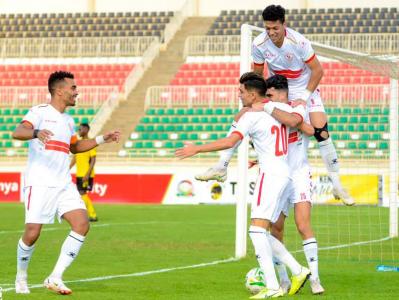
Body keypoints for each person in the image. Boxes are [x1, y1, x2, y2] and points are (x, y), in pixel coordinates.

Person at [196, 4, 354, 206]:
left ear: (283, 24)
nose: (271, 33)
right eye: (267, 28)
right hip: (277, 87)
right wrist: (258, 98)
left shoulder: (298, 41)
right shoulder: (259, 43)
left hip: (304, 86)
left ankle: (337, 184)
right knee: (244, 114)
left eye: (275, 28)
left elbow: (318, 71)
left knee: (321, 132)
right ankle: (221, 165)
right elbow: (258, 74)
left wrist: (304, 98)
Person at [176, 72, 310, 298]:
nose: (238, 95)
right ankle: (297, 270)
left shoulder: (251, 116)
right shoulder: (282, 108)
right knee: (261, 231)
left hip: (270, 174)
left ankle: (272, 286)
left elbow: (230, 141)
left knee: (256, 230)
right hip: (286, 174)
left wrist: (197, 148)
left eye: (240, 91)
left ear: (251, 93)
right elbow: (295, 122)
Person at [13, 71, 121, 295]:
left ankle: (55, 277)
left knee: (82, 224)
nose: (77, 92)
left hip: (63, 183)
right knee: (32, 233)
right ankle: (21, 277)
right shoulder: (39, 112)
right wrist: (35, 132)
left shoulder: (68, 120)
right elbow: (18, 131)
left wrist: (102, 139)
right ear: (59, 90)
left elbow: (75, 147)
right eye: (73, 88)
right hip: (40, 182)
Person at [251, 75, 325, 295]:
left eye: (270, 93)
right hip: (279, 175)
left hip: (299, 174)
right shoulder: (272, 113)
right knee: (276, 228)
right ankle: (284, 280)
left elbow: (310, 130)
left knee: (303, 225)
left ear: (279, 91)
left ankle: (314, 279)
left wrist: (273, 109)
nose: (267, 97)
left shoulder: (296, 107)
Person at [70, 123, 98, 222]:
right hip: (79, 174)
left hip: (85, 174)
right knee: (81, 194)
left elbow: (93, 160)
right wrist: (67, 168)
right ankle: (87, 214)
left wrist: (87, 174)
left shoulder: (90, 143)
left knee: (82, 193)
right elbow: (75, 158)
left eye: (80, 129)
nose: (79, 131)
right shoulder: (78, 143)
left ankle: (92, 214)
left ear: (86, 129)